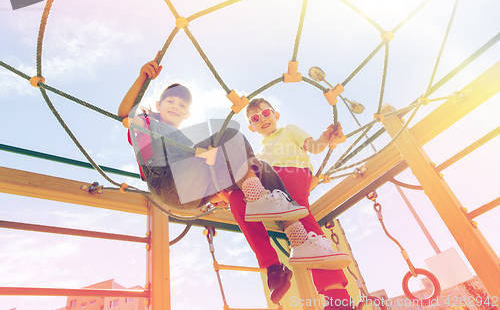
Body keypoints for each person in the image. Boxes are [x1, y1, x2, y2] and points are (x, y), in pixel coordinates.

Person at [118, 55, 347, 304]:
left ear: (187, 115)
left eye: (182, 107)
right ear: (158, 104)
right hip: (168, 182)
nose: (175, 107)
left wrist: (222, 194)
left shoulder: (184, 140)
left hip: (191, 194)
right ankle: (260, 198)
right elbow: (124, 114)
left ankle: (283, 258)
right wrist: (143, 78)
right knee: (229, 135)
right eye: (170, 102)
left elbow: (215, 164)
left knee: (247, 166)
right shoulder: (146, 123)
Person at [240, 97, 354, 310]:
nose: (263, 119)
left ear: (276, 115)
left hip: (292, 173)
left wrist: (326, 137)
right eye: (256, 118)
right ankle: (336, 295)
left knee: (302, 220)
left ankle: (338, 296)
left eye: (266, 113)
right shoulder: (260, 152)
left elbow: (315, 146)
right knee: (302, 236)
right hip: (272, 185)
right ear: (251, 127)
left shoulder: (288, 130)